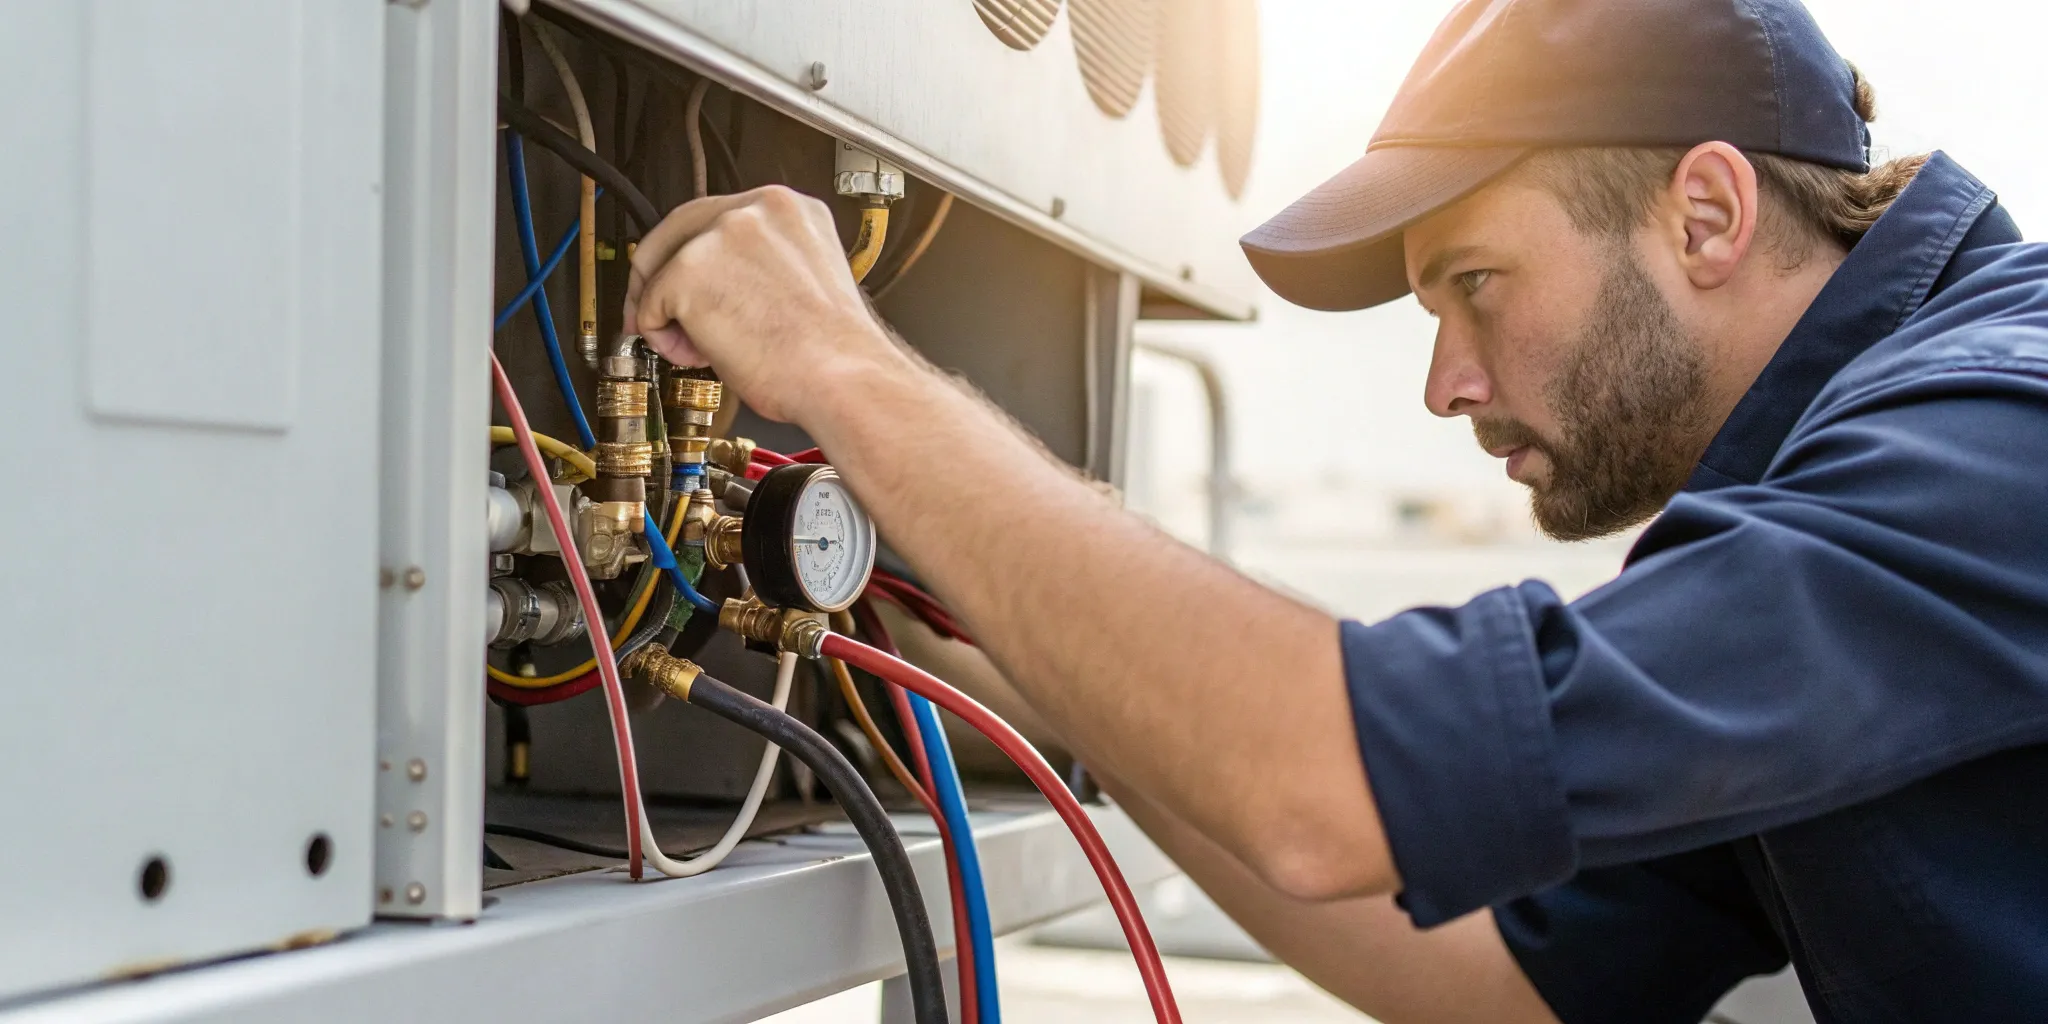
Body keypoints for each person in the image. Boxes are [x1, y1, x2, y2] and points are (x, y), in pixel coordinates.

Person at [623, 0, 2048, 1019]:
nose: (1445, 384)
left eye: (1475, 283)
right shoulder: (1833, 500)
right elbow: (1492, 975)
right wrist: (1057, 681)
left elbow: (1322, 792)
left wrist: (842, 363)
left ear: (1708, 216)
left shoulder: (1992, 436)